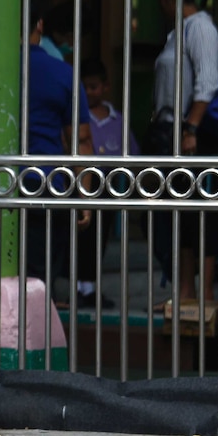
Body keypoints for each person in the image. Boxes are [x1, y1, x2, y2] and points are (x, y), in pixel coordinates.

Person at [144, 0, 218, 305]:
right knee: (170, 214)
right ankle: (184, 291)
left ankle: (198, 294)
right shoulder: (179, 31)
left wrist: (191, 129)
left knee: (192, 215)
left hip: (187, 131)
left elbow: (208, 82)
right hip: (165, 129)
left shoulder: (200, 27)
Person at [24, 0, 94, 307]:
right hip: (46, 185)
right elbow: (80, 140)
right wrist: (84, 195)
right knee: (39, 281)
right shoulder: (62, 73)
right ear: (39, 25)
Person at [74, 58, 141, 309]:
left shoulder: (118, 120)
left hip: (109, 187)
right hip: (82, 183)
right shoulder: (79, 117)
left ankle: (90, 289)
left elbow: (133, 155)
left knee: (99, 239)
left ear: (106, 87)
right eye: (85, 87)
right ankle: (80, 287)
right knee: (81, 238)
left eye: (94, 87)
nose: (90, 92)